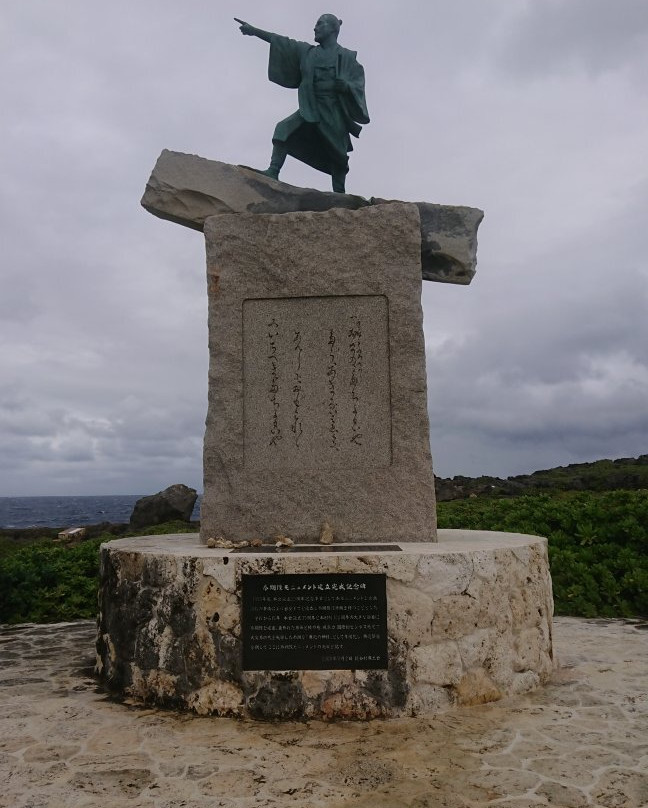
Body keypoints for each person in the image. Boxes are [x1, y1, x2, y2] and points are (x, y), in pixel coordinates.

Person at [235, 14, 369, 193]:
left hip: (333, 109)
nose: (315, 28)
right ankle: (273, 171)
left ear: (332, 29)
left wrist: (347, 86)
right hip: (312, 106)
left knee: (338, 155)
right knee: (283, 129)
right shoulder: (308, 52)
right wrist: (254, 31)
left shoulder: (347, 57)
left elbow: (357, 81)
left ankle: (339, 194)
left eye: (320, 24)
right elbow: (281, 41)